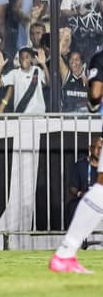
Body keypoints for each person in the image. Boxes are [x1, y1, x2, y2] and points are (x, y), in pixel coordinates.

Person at [50, 51, 103, 273]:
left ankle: (66, 252)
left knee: (101, 190)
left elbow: (94, 97)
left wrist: (93, 97)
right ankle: (65, 252)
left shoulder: (100, 58)